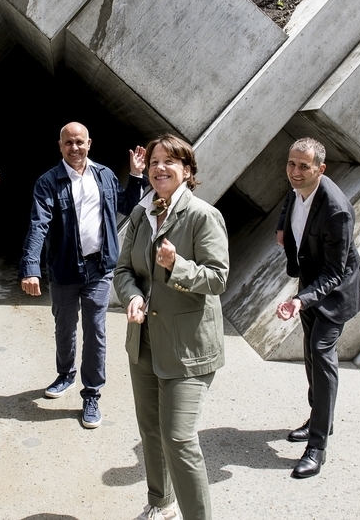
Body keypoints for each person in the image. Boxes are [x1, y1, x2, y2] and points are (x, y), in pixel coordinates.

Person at [115, 134, 229, 520]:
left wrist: (175, 266)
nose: (160, 168)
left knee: (179, 438)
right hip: (144, 340)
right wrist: (132, 297)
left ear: (187, 170)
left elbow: (217, 279)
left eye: (170, 162)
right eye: (154, 162)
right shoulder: (140, 214)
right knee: (151, 432)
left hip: (187, 347)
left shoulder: (202, 216)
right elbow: (124, 270)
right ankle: (160, 504)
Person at [20, 121, 148, 429]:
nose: (74, 148)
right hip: (64, 269)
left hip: (99, 268)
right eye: (68, 143)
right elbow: (39, 225)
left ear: (89, 143)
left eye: (80, 142)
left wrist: (135, 176)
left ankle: (91, 394)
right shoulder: (48, 182)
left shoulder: (103, 175)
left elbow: (127, 206)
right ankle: (65, 374)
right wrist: (31, 267)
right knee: (65, 328)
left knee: (95, 329)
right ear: (60, 146)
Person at [274, 137, 360, 479]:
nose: (295, 172)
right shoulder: (298, 184)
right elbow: (291, 197)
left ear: (321, 169)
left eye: (304, 167)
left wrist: (299, 301)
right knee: (311, 356)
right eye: (291, 164)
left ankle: (317, 447)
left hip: (334, 291)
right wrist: (284, 224)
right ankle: (318, 418)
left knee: (321, 352)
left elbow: (335, 272)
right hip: (309, 282)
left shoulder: (337, 210)